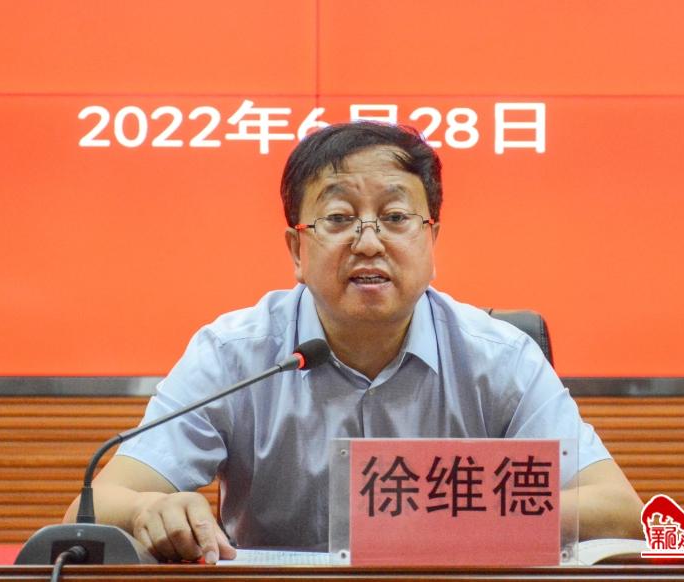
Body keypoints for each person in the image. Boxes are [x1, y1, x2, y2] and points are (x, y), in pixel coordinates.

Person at [63, 121, 643, 563]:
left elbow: (621, 511)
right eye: (339, 219)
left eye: (395, 217)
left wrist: (452, 513)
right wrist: (151, 508)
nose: (368, 242)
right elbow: (94, 507)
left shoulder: (501, 358)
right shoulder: (235, 354)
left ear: (432, 240)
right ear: (297, 249)